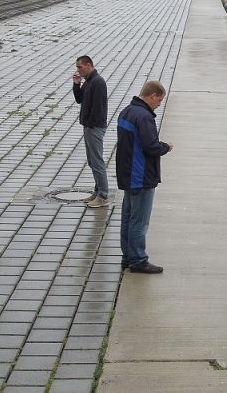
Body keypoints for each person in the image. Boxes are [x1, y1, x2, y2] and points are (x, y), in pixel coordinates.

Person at [116, 80, 174, 273]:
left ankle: (127, 255)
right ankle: (138, 260)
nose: (159, 104)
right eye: (159, 100)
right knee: (139, 221)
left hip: (127, 175)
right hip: (140, 177)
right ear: (152, 96)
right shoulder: (144, 117)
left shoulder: (127, 111)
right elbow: (151, 147)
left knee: (128, 218)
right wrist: (166, 147)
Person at [72, 55, 110, 208]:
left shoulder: (98, 82)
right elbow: (80, 100)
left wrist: (90, 124)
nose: (78, 70)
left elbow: (98, 108)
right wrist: (76, 84)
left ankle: (103, 195)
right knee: (92, 160)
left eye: (79, 67)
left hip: (94, 127)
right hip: (88, 126)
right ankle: (97, 190)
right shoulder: (88, 81)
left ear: (89, 65)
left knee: (97, 161)